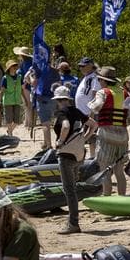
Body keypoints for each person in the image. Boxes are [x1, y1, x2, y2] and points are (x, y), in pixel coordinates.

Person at [87, 66, 130, 197]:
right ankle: (122, 197)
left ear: (104, 81)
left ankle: (107, 196)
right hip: (123, 135)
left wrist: (90, 104)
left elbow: (96, 107)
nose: (100, 82)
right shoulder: (124, 93)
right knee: (119, 170)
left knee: (105, 169)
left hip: (107, 134)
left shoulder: (103, 92)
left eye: (100, 80)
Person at [51, 85, 86, 234]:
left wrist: (60, 142)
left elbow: (65, 126)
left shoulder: (61, 112)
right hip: (79, 153)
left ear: (58, 100)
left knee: (69, 190)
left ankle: (73, 223)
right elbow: (93, 124)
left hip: (66, 154)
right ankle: (73, 221)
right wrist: (85, 138)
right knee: (73, 189)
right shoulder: (77, 111)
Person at [0, 60, 23, 136]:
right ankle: (10, 134)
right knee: (9, 119)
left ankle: (9, 130)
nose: (14, 67)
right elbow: (1, 91)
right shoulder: (5, 78)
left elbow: (22, 90)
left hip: (17, 100)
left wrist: (25, 100)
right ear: (9, 68)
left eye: (15, 66)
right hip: (8, 101)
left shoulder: (19, 77)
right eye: (13, 66)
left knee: (17, 120)